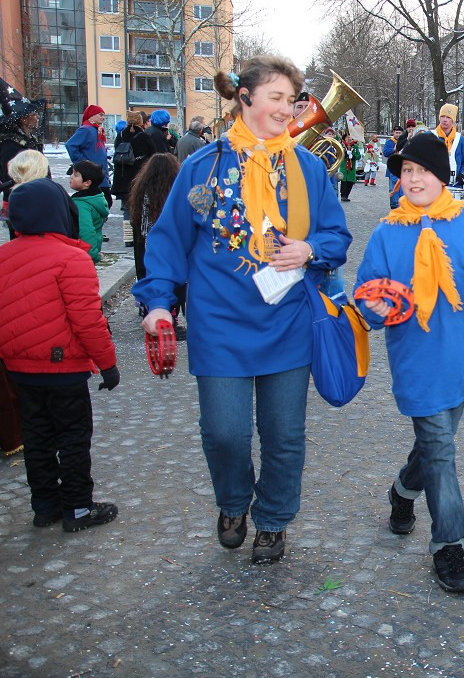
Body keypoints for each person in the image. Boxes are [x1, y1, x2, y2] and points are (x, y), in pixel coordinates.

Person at [132, 55, 352, 565]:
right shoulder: (202, 165)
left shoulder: (308, 167)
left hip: (288, 323)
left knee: (284, 435)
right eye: (276, 97)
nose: (287, 108)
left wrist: (310, 249)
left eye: (292, 99)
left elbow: (336, 236)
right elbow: (167, 244)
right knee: (225, 432)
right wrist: (159, 305)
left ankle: (273, 520)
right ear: (245, 97)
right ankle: (233, 503)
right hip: (220, 327)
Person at [354, 131, 464, 592]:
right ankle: (448, 546)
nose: (413, 179)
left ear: (442, 177)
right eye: (407, 171)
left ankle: (402, 490)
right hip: (417, 357)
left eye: (423, 170)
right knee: (439, 446)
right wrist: (371, 306)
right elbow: (368, 289)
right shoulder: (387, 233)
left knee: (436, 446)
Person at [0, 178, 120, 531]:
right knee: (72, 436)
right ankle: (78, 507)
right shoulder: (72, 258)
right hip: (64, 367)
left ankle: (44, 505)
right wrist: (108, 364)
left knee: (36, 436)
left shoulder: (3, 257)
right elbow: (87, 320)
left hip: (20, 367)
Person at [128, 152, 182, 308]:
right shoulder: (175, 189)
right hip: (171, 241)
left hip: (146, 242)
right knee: (171, 276)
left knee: (150, 274)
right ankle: (172, 308)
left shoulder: (141, 188)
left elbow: (141, 221)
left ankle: (149, 304)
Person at [0, 77, 46, 209]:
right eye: (33, 114)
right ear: (24, 120)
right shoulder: (10, 145)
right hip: (20, 200)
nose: (37, 117)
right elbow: (9, 176)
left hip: (34, 194)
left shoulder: (28, 140)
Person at [111, 111, 156, 221]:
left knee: (127, 209)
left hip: (122, 178)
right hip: (138, 177)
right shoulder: (144, 136)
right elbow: (153, 154)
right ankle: (137, 233)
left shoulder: (120, 135)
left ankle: (127, 234)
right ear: (140, 122)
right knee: (140, 208)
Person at [65, 104, 112, 205]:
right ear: (92, 115)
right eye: (101, 114)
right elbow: (70, 145)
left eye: (104, 115)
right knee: (103, 201)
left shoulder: (97, 130)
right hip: (92, 174)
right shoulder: (86, 129)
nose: (103, 117)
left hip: (101, 172)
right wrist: (82, 163)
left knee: (106, 201)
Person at [68, 160, 109, 263]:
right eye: (72, 173)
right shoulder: (95, 198)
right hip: (88, 251)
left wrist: (93, 255)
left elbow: (86, 231)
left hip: (82, 254)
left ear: (87, 182)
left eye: (76, 175)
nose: (71, 176)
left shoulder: (81, 204)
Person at [436, 104, 464, 186]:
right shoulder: (430, 136)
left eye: (448, 117)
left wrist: (463, 174)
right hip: (433, 185)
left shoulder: (461, 140)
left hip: (454, 184)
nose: (444, 120)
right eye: (442, 116)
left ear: (453, 120)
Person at [383, 124, 406, 209]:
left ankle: (400, 204)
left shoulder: (404, 141)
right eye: (396, 132)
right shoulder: (390, 142)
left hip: (402, 168)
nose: (398, 134)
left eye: (400, 133)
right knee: (392, 187)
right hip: (392, 168)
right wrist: (394, 149)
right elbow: (385, 152)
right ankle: (393, 204)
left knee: (401, 187)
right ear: (393, 133)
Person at [338, 137, 362, 202]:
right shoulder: (342, 146)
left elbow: (358, 156)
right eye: (347, 138)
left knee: (350, 182)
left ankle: (347, 195)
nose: (349, 139)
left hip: (352, 167)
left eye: (350, 138)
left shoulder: (355, 147)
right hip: (344, 167)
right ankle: (343, 195)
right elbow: (339, 154)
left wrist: (353, 156)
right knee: (344, 181)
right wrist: (346, 154)